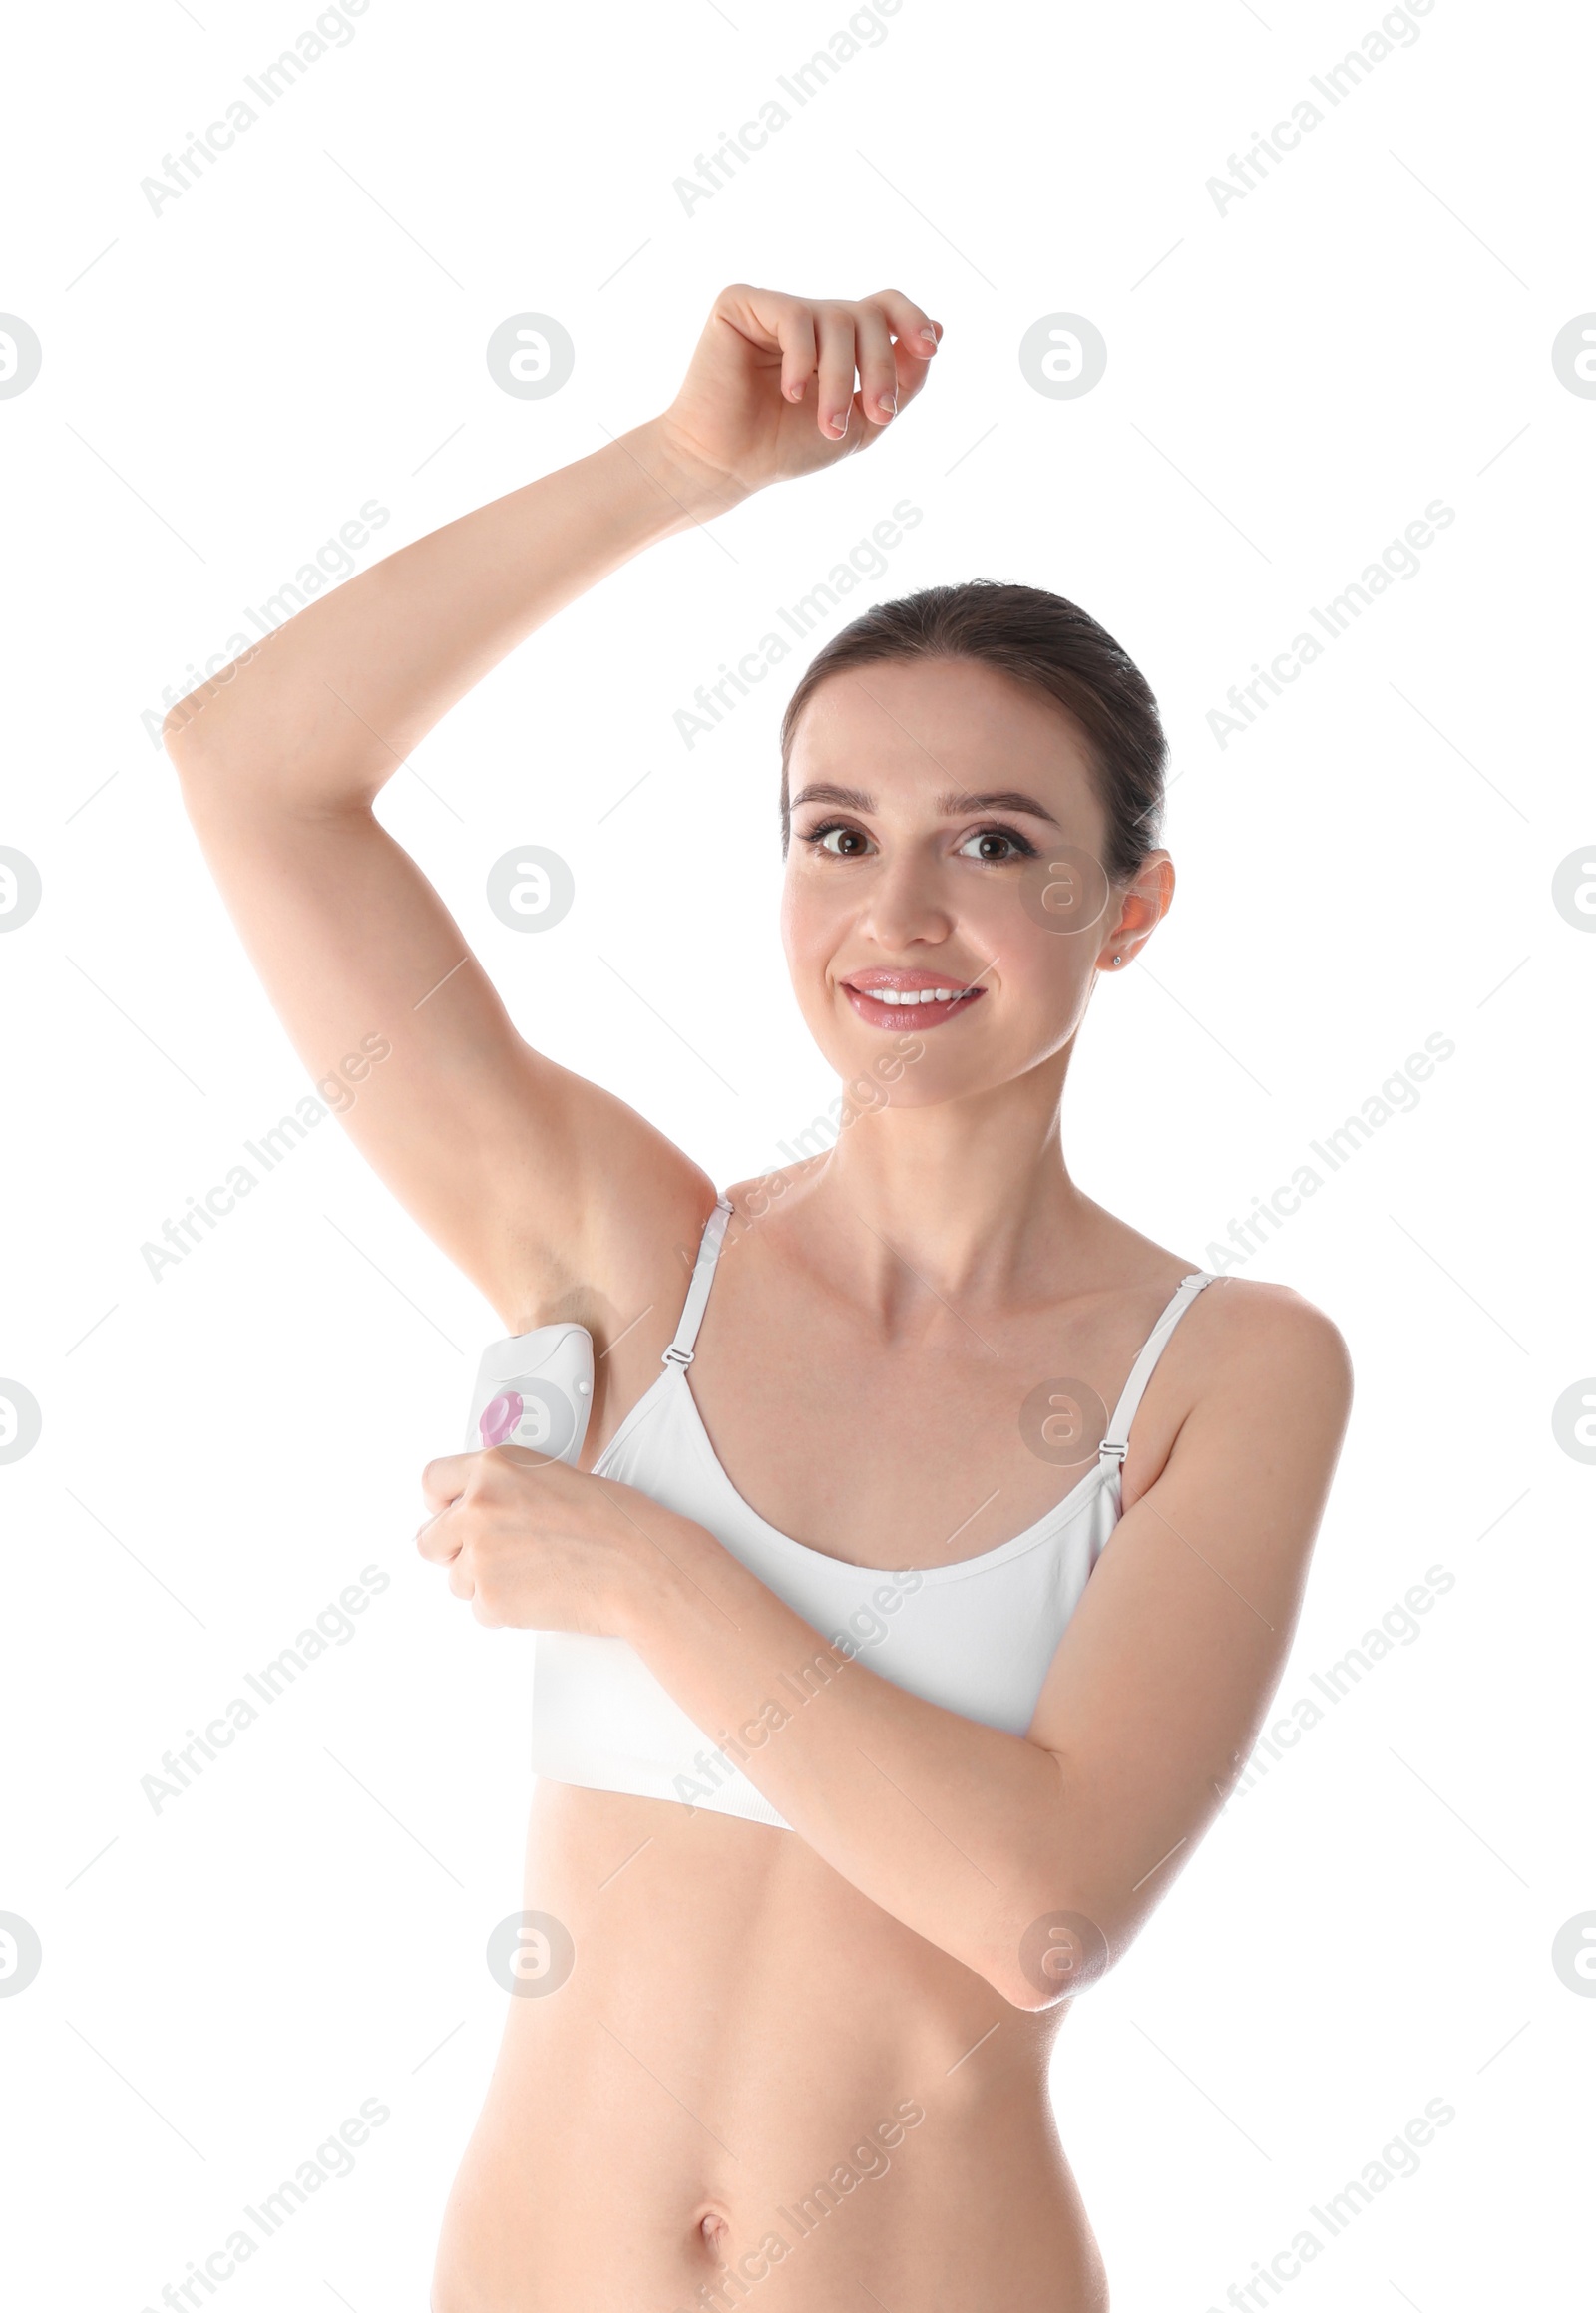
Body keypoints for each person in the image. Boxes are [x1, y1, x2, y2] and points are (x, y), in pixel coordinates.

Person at [165, 284, 1352, 2312]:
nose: (896, 914)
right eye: (834, 835)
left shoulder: (1222, 1367)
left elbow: (1036, 1902)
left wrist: (641, 1571)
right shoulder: (637, 1254)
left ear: (1128, 902)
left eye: (992, 839)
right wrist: (678, 471)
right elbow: (251, 770)